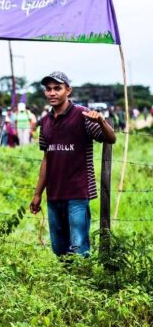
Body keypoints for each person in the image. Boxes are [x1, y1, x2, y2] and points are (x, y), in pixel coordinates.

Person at [30, 71, 116, 257]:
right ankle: (67, 283)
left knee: (79, 247)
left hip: (78, 192)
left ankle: (83, 281)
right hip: (54, 194)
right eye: (48, 89)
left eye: (57, 88)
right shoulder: (44, 122)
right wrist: (38, 194)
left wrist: (101, 121)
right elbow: (47, 159)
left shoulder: (83, 115)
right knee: (59, 248)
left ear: (68, 90)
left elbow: (111, 138)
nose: (52, 93)